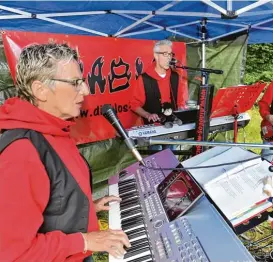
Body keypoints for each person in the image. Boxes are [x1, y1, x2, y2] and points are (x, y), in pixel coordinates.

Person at [0, 43, 130, 262]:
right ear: (40, 90)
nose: (86, 91)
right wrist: (85, 241)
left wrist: (86, 206)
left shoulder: (54, 129)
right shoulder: (21, 152)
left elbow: (53, 198)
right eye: (75, 83)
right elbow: (12, 254)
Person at [130, 39, 186, 151]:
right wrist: (147, 115)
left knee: (171, 159)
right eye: (165, 54)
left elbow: (180, 102)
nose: (169, 57)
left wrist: (183, 110)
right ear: (156, 55)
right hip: (154, 130)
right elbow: (134, 104)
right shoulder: (144, 79)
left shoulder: (176, 77)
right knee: (158, 160)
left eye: (170, 54)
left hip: (172, 127)